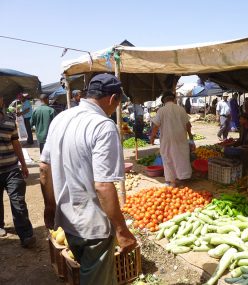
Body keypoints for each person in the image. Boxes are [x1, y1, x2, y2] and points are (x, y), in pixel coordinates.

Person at [39, 74, 137, 285]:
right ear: (112, 99)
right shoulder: (103, 125)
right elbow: (102, 185)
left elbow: (44, 168)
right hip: (93, 227)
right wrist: (122, 230)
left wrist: (49, 207)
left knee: (87, 272)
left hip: (67, 219)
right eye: (119, 102)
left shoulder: (61, 118)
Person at [0, 95, 36, 247]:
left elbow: (16, 144)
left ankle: (26, 235)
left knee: (18, 201)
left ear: (2, 99)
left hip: (12, 169)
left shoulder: (9, 120)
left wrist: (23, 164)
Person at [150, 91, 194, 187]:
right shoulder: (181, 109)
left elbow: (155, 126)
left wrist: (152, 137)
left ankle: (172, 181)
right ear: (174, 99)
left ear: (164, 101)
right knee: (181, 158)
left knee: (168, 158)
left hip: (167, 139)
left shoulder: (161, 110)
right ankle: (182, 180)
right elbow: (188, 125)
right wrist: (191, 138)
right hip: (180, 138)